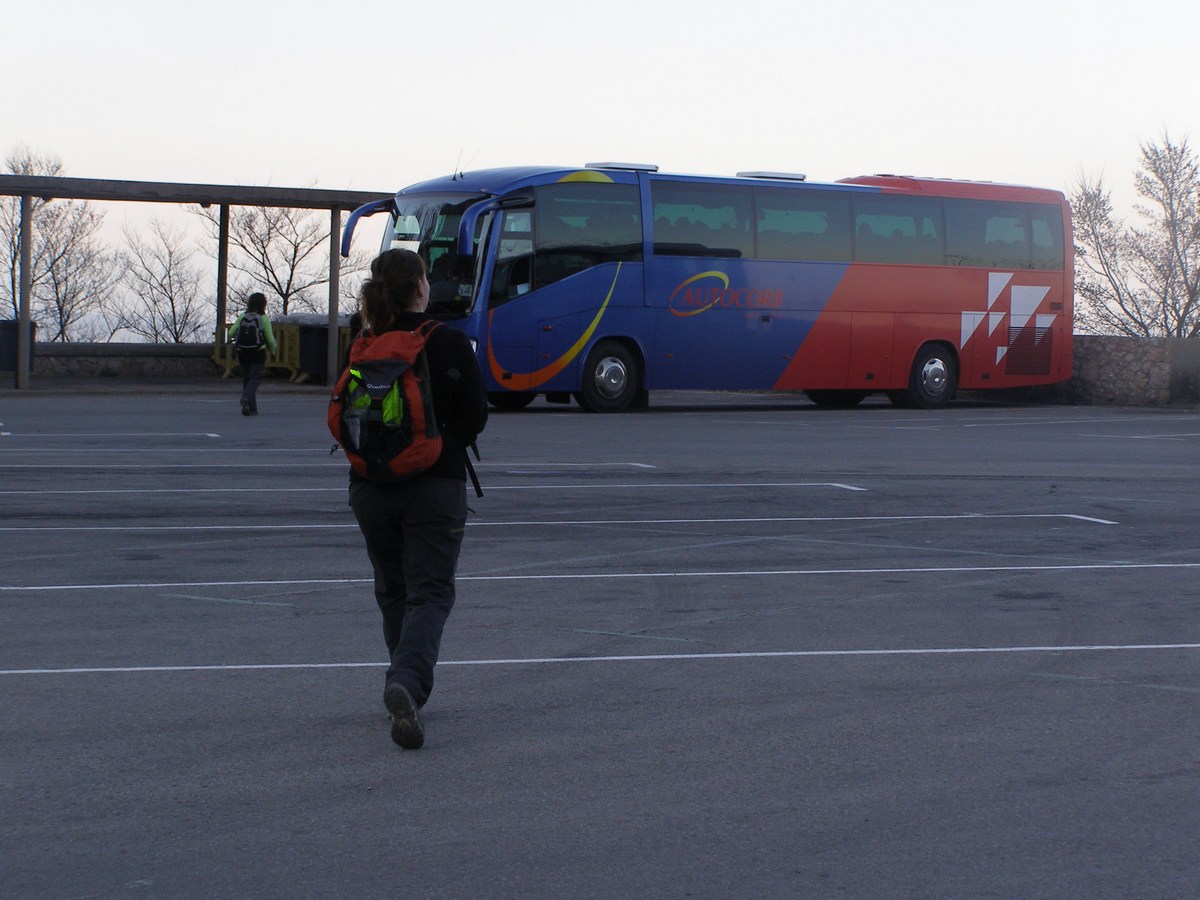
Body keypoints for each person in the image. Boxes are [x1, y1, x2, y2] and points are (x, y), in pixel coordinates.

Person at [346, 248, 488, 750]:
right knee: (430, 592)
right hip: (434, 484)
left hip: (370, 485)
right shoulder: (448, 341)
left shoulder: (363, 342)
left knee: (393, 589)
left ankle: (401, 681)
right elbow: (475, 416)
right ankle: (406, 681)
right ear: (421, 286)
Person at [227, 293, 277, 416]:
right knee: (255, 379)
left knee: (247, 379)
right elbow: (270, 339)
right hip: (258, 352)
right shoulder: (264, 318)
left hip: (242, 352)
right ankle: (245, 397)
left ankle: (252, 409)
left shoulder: (243, 316)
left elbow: (231, 333)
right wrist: (273, 351)